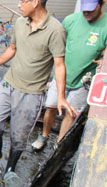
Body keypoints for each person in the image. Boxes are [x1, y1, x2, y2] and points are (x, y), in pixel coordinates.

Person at [0, 0, 74, 175]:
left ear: (36, 2)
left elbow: (59, 65)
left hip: (31, 93)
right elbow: (12, 49)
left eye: (23, 1)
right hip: (8, 84)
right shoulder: (20, 22)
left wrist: (61, 96)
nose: (19, 5)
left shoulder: (55, 30)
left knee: (19, 136)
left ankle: (10, 167)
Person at [31, 0, 107, 151]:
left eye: (91, 10)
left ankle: (59, 144)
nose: (86, 13)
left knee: (70, 113)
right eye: (84, 9)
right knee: (51, 107)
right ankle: (44, 136)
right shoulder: (71, 20)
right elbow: (57, 43)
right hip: (62, 75)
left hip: (83, 80)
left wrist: (103, 61)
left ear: (102, 4)